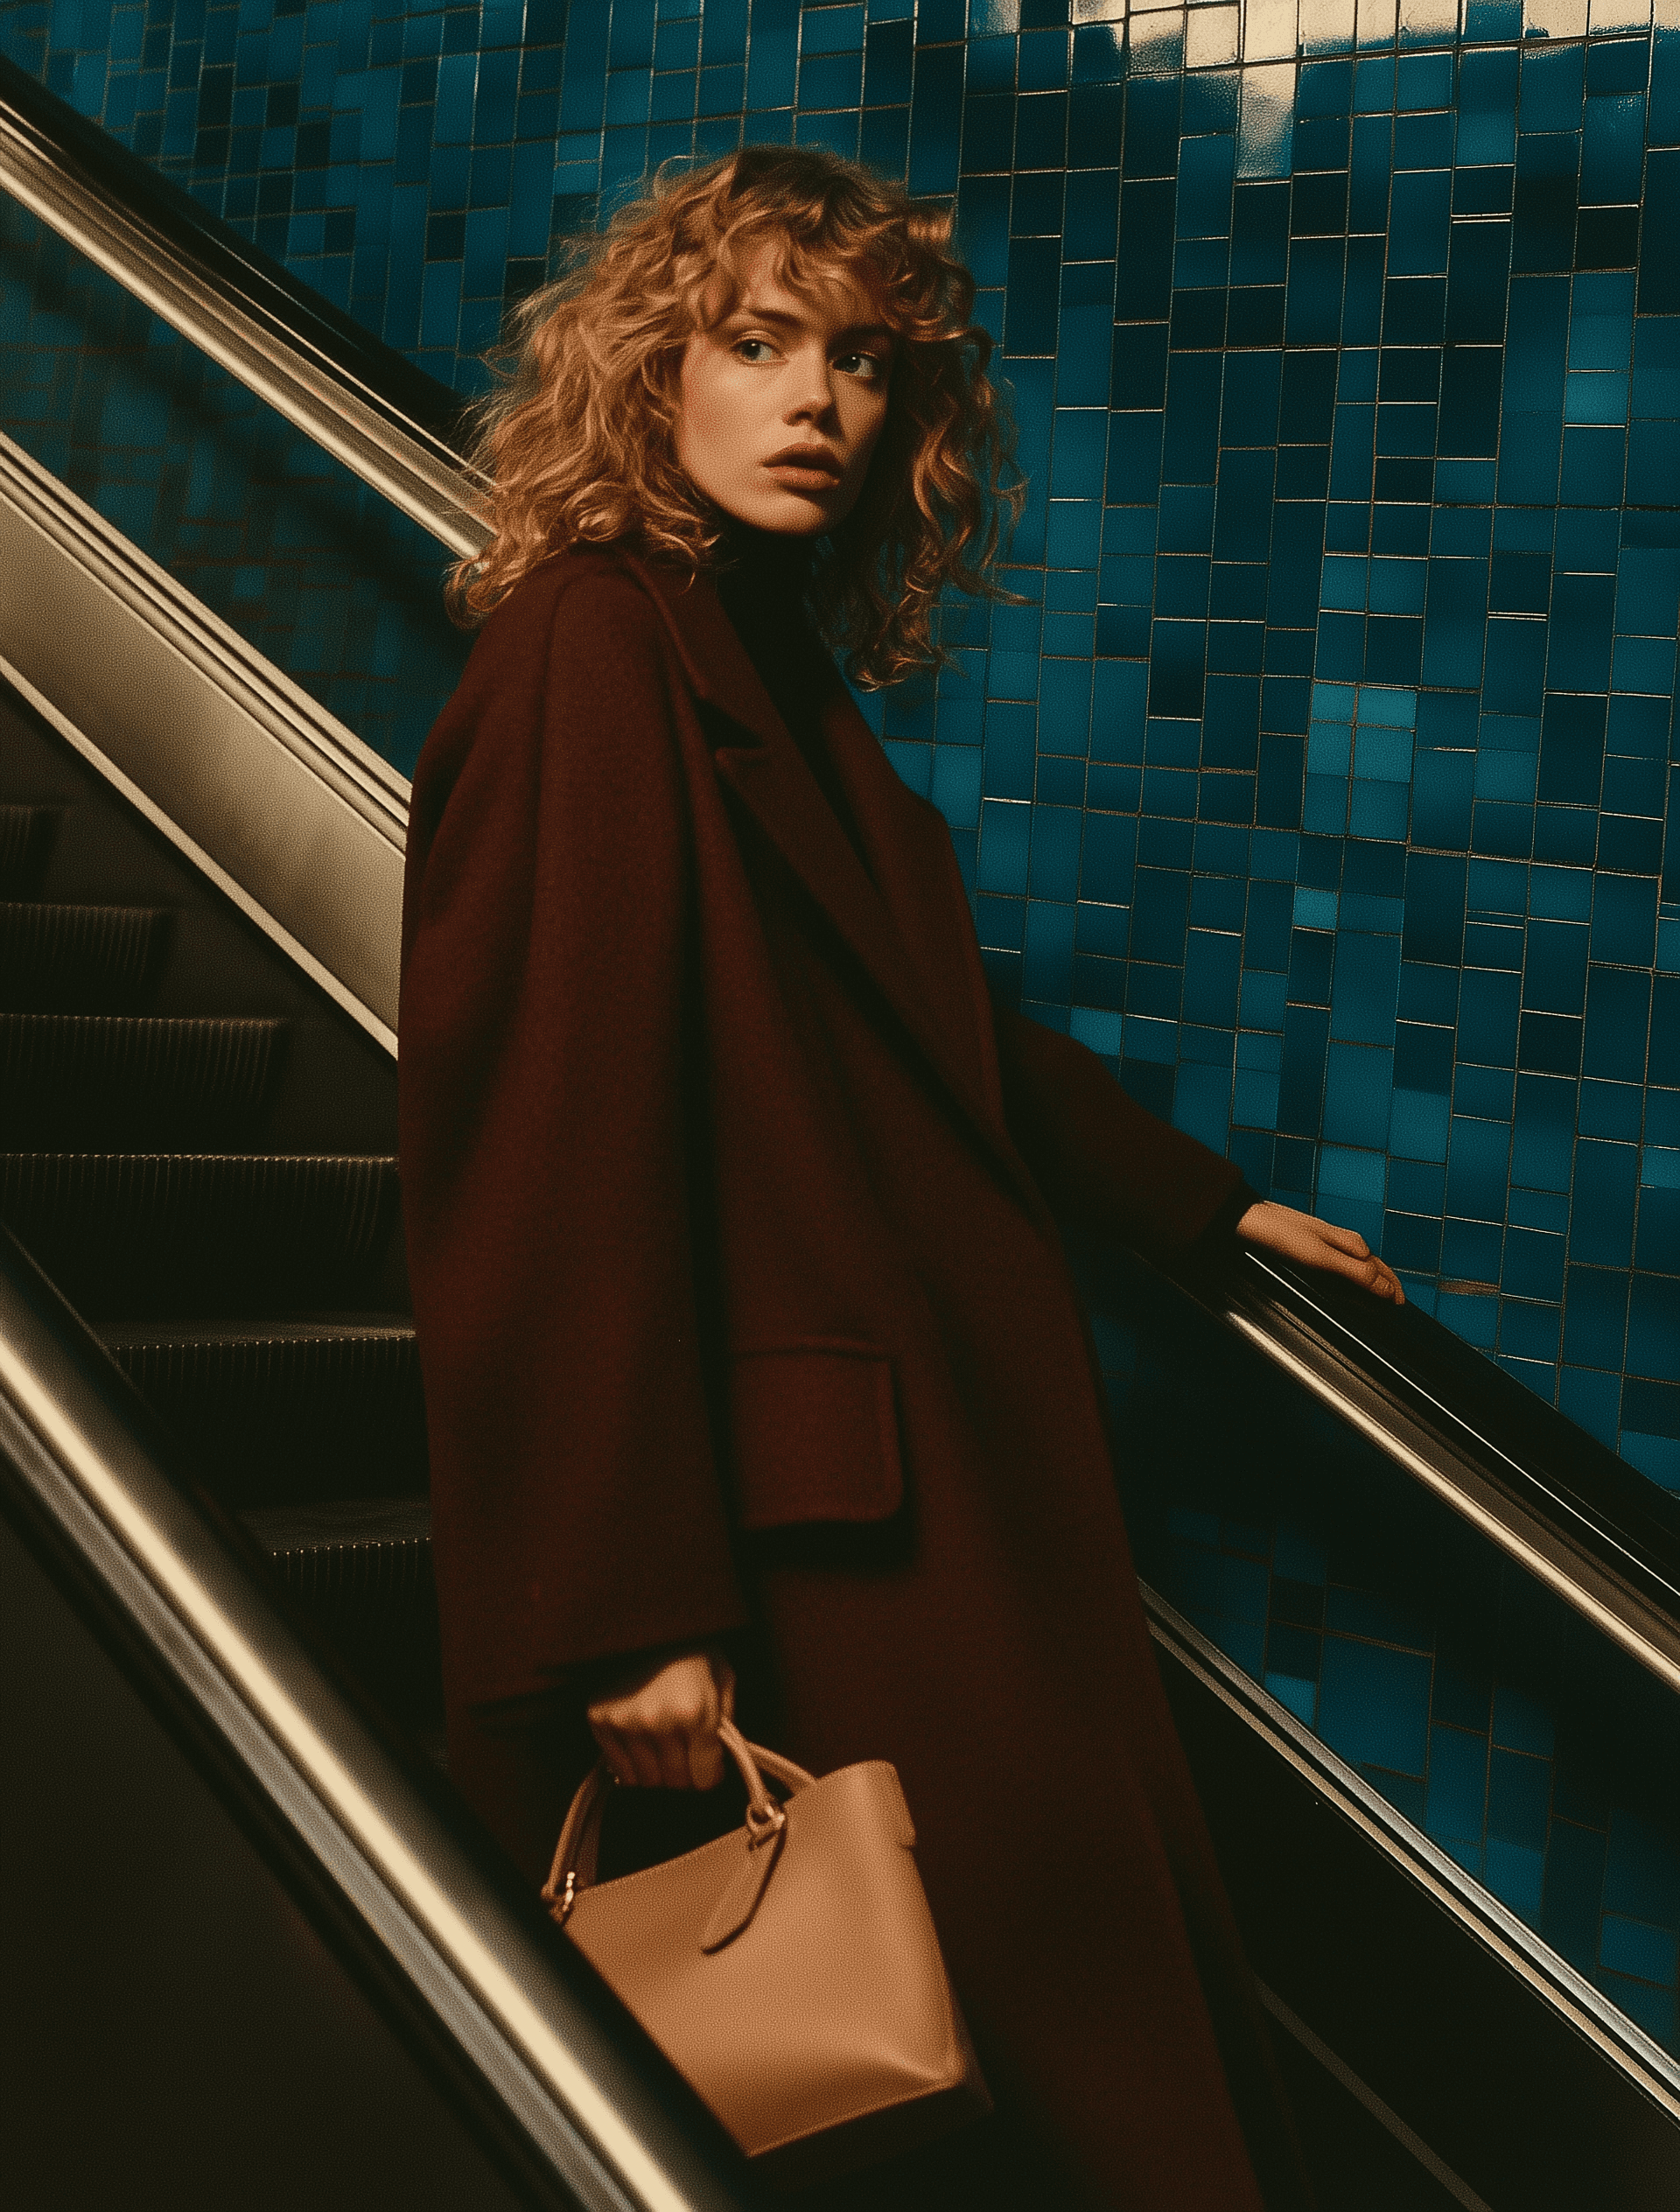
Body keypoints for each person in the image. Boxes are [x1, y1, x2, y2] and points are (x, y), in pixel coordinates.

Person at [398, 145, 1402, 2212]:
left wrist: (1197, 1206)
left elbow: (909, 1017)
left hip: (900, 1497)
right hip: (788, 1546)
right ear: (647, 372)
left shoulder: (757, 661)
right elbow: (542, 1139)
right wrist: (624, 1604)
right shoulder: (593, 653)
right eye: (757, 344)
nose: (819, 403)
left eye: (861, 361)